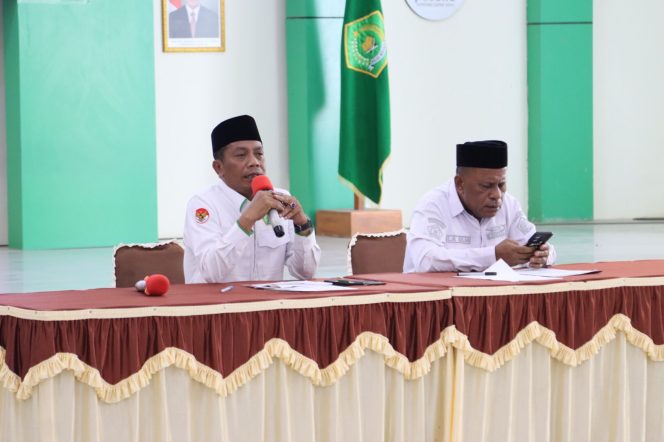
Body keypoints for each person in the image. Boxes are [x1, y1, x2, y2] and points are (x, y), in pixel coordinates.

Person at [183, 115, 320, 283]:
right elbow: (212, 273)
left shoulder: (279, 199)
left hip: (268, 306)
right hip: (219, 306)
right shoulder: (203, 204)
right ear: (219, 167)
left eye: (259, 154)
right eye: (241, 155)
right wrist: (247, 220)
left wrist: (302, 224)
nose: (254, 162)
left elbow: (306, 273)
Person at [404, 140, 556, 273]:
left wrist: (542, 255)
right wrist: (492, 256)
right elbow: (425, 260)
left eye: (501, 185)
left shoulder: (509, 204)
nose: (496, 195)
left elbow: (541, 246)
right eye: (486, 186)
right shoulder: (433, 205)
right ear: (460, 184)